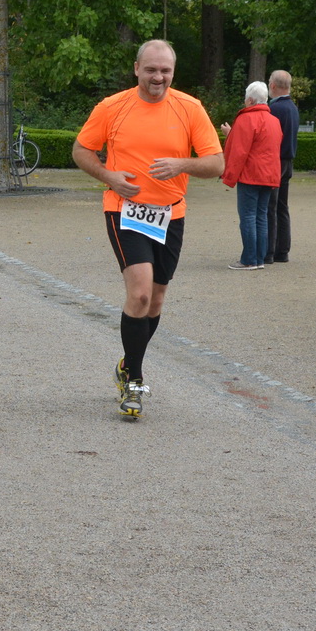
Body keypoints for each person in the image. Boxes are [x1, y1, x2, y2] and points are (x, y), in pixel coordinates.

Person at [73, 40, 225, 419]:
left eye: (166, 71)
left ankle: (126, 363)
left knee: (156, 301)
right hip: (124, 210)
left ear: (173, 72)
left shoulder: (189, 108)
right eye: (151, 69)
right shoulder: (112, 107)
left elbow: (217, 163)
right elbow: (81, 150)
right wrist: (109, 176)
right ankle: (135, 382)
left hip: (170, 214)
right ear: (137, 68)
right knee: (139, 295)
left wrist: (181, 165)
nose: (158, 77)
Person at [221, 82, 282, 270]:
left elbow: (239, 152)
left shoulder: (245, 119)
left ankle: (249, 259)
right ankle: (259, 258)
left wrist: (229, 176)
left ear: (249, 99)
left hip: (250, 175)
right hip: (269, 175)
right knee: (261, 216)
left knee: (247, 216)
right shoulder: (274, 120)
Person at [265, 70, 299, 264]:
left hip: (275, 162)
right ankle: (282, 250)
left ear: (274, 86)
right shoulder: (292, 107)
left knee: (270, 207)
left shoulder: (275, 108)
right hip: (288, 161)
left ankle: (269, 250)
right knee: (282, 207)